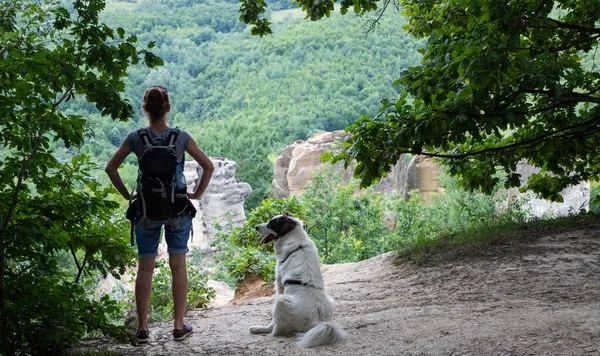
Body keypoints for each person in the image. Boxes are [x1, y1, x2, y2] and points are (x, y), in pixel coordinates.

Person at [105, 85, 214, 343]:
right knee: (178, 267)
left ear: (145, 109)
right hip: (177, 208)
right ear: (168, 108)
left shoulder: (135, 138)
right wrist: (196, 194)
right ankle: (178, 326)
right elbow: (208, 166)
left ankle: (142, 328)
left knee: (145, 268)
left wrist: (126, 195)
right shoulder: (181, 137)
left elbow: (111, 168)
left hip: (145, 210)